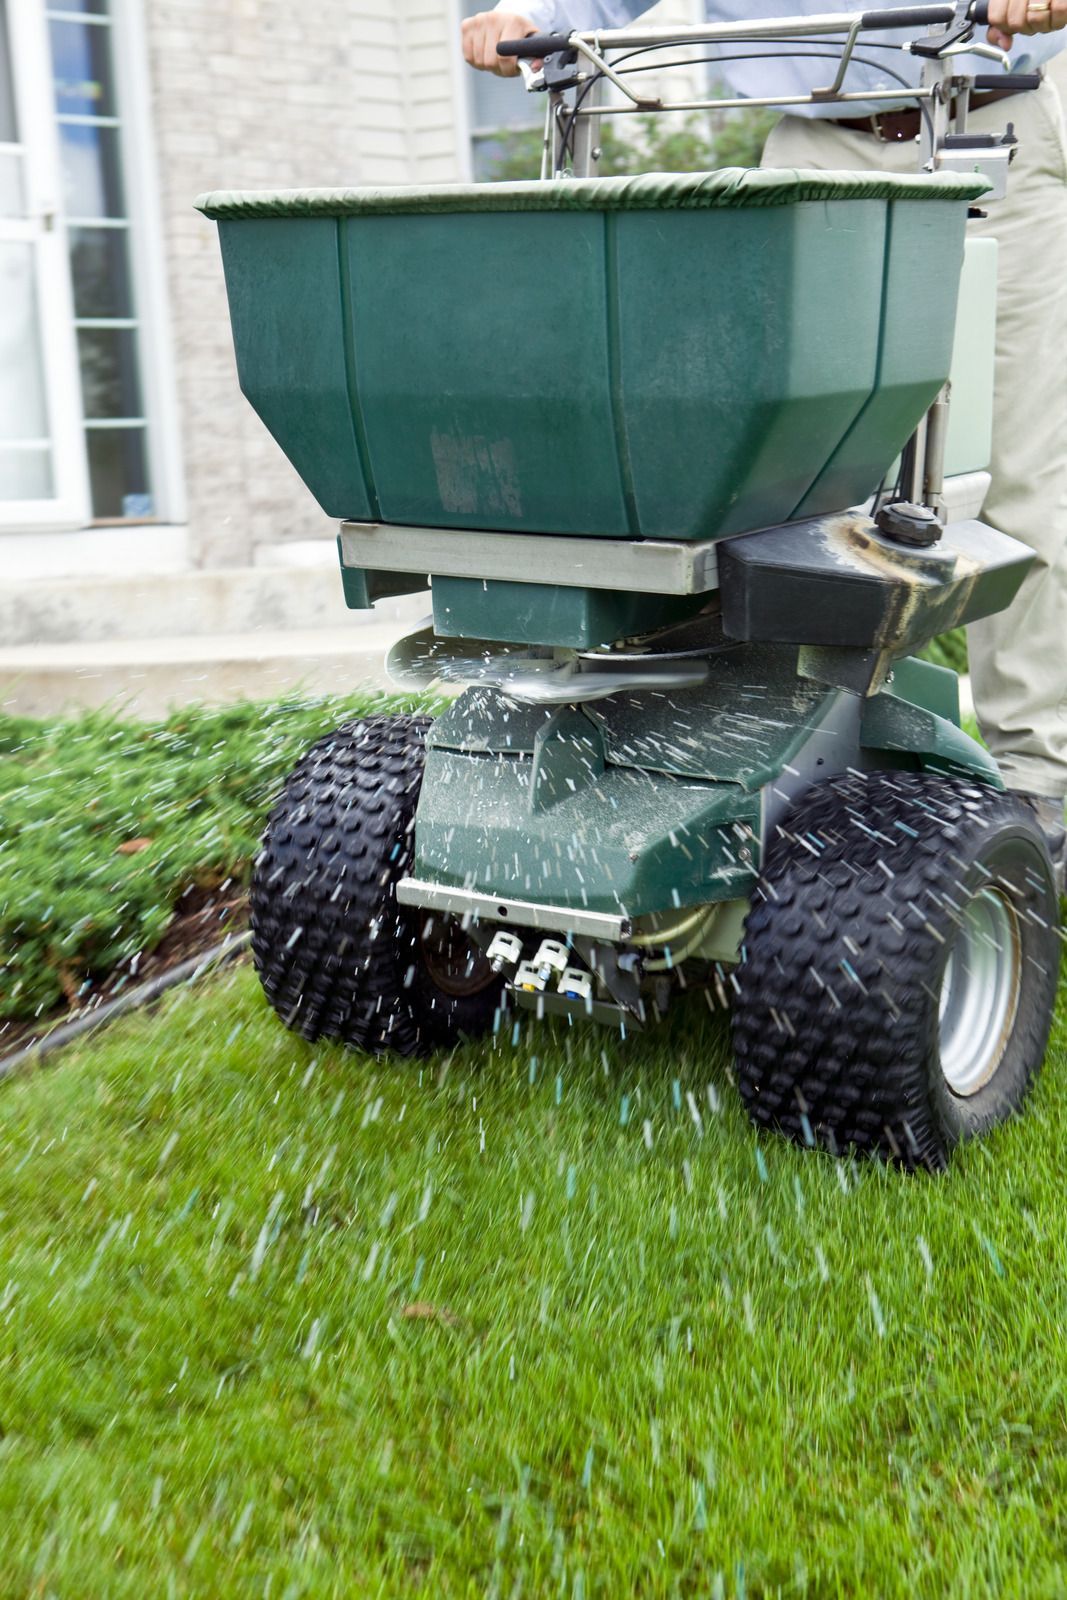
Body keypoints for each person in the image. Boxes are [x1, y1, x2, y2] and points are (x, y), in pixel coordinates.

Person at [462, 0, 1067, 883]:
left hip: (987, 127)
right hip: (813, 150)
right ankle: (803, 760)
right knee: (795, 479)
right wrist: (532, 14)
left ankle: (1037, 787)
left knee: (1019, 470)